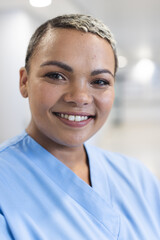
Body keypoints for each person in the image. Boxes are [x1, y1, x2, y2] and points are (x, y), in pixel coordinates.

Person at [0, 14, 159, 240]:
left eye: (100, 81)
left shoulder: (139, 178)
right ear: (24, 81)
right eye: (56, 76)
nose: (80, 97)